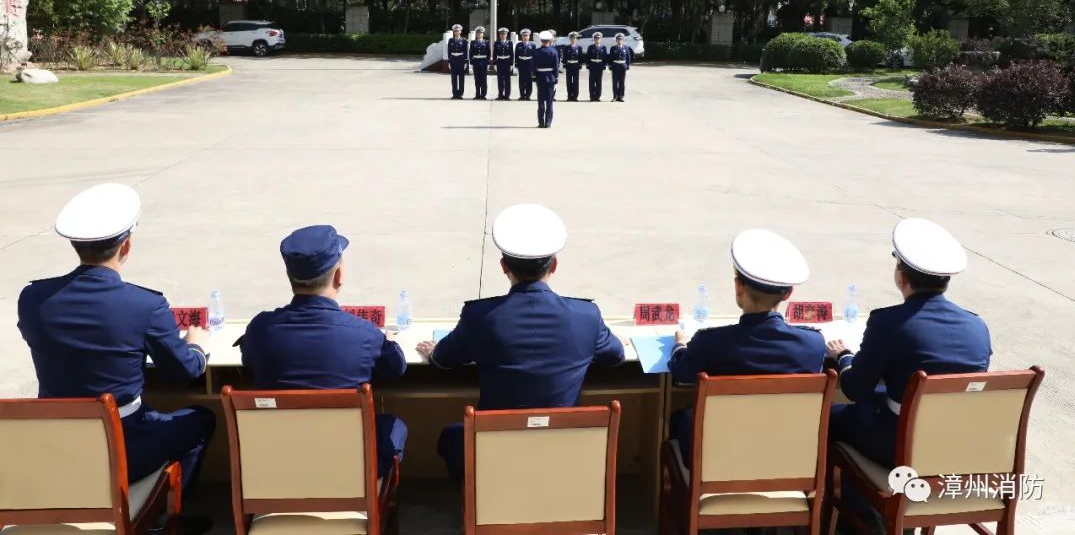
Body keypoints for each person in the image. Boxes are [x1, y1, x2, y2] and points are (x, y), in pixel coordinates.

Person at [17, 184, 215, 534]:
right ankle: (170, 520)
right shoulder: (144, 305)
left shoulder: (32, 299)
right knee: (200, 419)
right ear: (127, 245)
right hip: (124, 446)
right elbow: (183, 371)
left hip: (57, 448)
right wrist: (197, 346)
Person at [415, 204, 625, 480]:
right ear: (555, 265)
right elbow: (616, 355)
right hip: (562, 454)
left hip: (498, 457)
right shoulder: (585, 316)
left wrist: (435, 351)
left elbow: (444, 359)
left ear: (503, 267)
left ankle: (487, 506)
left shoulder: (480, 316)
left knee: (451, 438)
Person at [827, 218, 991, 534]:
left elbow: (854, 387)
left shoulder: (889, 322)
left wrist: (844, 356)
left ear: (901, 277)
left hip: (902, 447)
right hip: (957, 446)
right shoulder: (977, 327)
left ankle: (855, 515)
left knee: (832, 416)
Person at [240, 225, 408, 477]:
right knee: (393, 425)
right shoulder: (363, 334)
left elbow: (248, 361)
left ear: (290, 276)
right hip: (347, 471)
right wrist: (389, 341)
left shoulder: (261, 329)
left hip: (278, 468)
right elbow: (396, 368)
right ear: (339, 275)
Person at [667, 229, 825, 465]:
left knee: (679, 418)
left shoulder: (710, 342)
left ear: (739, 287)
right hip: (784, 460)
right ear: (789, 293)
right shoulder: (812, 344)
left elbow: (682, 372)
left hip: (716, 461)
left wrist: (679, 345)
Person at [533, 30, 560, 128]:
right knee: (549, 102)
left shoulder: (536, 52)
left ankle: (540, 122)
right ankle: (548, 123)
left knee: (540, 101)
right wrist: (556, 79)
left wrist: (534, 78)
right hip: (550, 78)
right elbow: (556, 67)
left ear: (541, 40)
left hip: (540, 77)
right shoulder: (554, 51)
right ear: (549, 40)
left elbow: (534, 66)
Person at [606, 32, 632, 102]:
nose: (619, 41)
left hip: (623, 66)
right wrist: (610, 65)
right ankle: (615, 96)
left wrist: (628, 65)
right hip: (615, 66)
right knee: (615, 82)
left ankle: (621, 97)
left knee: (622, 82)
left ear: (623, 40)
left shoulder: (626, 48)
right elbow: (610, 58)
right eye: (618, 39)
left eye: (621, 39)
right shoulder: (613, 48)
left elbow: (628, 57)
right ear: (616, 40)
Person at [447, 24, 469, 99]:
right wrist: (449, 62)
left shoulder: (464, 40)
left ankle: (460, 94)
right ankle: (455, 93)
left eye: (458, 31)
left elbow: (466, 52)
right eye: (455, 31)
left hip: (461, 60)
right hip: (453, 60)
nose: (456, 32)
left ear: (460, 32)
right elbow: (449, 51)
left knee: (461, 78)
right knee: (454, 78)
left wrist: (466, 62)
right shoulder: (451, 40)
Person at [493, 27, 515, 100]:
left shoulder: (510, 43)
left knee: (507, 79)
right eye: (501, 34)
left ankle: (507, 95)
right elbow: (494, 54)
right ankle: (500, 95)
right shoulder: (496, 43)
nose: (503, 36)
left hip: (507, 62)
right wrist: (495, 63)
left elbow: (512, 54)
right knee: (500, 79)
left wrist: (511, 64)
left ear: (506, 35)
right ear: (499, 35)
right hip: (499, 62)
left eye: (504, 34)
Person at [469, 26, 490, 100]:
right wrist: (471, 63)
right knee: (477, 79)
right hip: (476, 62)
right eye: (478, 33)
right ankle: (477, 94)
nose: (479, 34)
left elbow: (488, 53)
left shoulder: (486, 42)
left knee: (483, 79)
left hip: (483, 62)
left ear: (483, 34)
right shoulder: (473, 42)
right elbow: (470, 53)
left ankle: (483, 95)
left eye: (481, 33)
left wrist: (488, 63)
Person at [515, 28, 536, 100]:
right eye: (524, 36)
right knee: (521, 80)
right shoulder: (518, 45)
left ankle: (528, 95)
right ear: (522, 37)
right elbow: (516, 56)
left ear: (529, 36)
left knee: (529, 80)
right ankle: (522, 95)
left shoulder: (532, 45)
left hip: (529, 64)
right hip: (521, 64)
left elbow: (534, 56)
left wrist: (534, 66)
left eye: (526, 36)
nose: (525, 37)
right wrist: (516, 65)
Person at [562, 31, 584, 101]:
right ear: (569, 39)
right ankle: (569, 96)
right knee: (568, 81)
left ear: (576, 39)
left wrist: (580, 64)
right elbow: (564, 57)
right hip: (569, 65)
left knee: (575, 81)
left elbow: (580, 57)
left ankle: (575, 96)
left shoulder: (579, 48)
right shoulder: (566, 47)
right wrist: (564, 64)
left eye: (574, 38)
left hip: (575, 65)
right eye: (571, 38)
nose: (573, 39)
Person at [586, 31, 607, 102]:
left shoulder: (603, 47)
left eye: (598, 38)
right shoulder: (590, 47)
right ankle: (592, 96)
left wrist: (604, 65)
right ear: (594, 39)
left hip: (600, 66)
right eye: (596, 38)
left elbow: (605, 57)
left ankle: (597, 96)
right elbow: (588, 57)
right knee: (592, 82)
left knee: (599, 82)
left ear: (600, 39)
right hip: (592, 66)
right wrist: (588, 65)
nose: (597, 40)